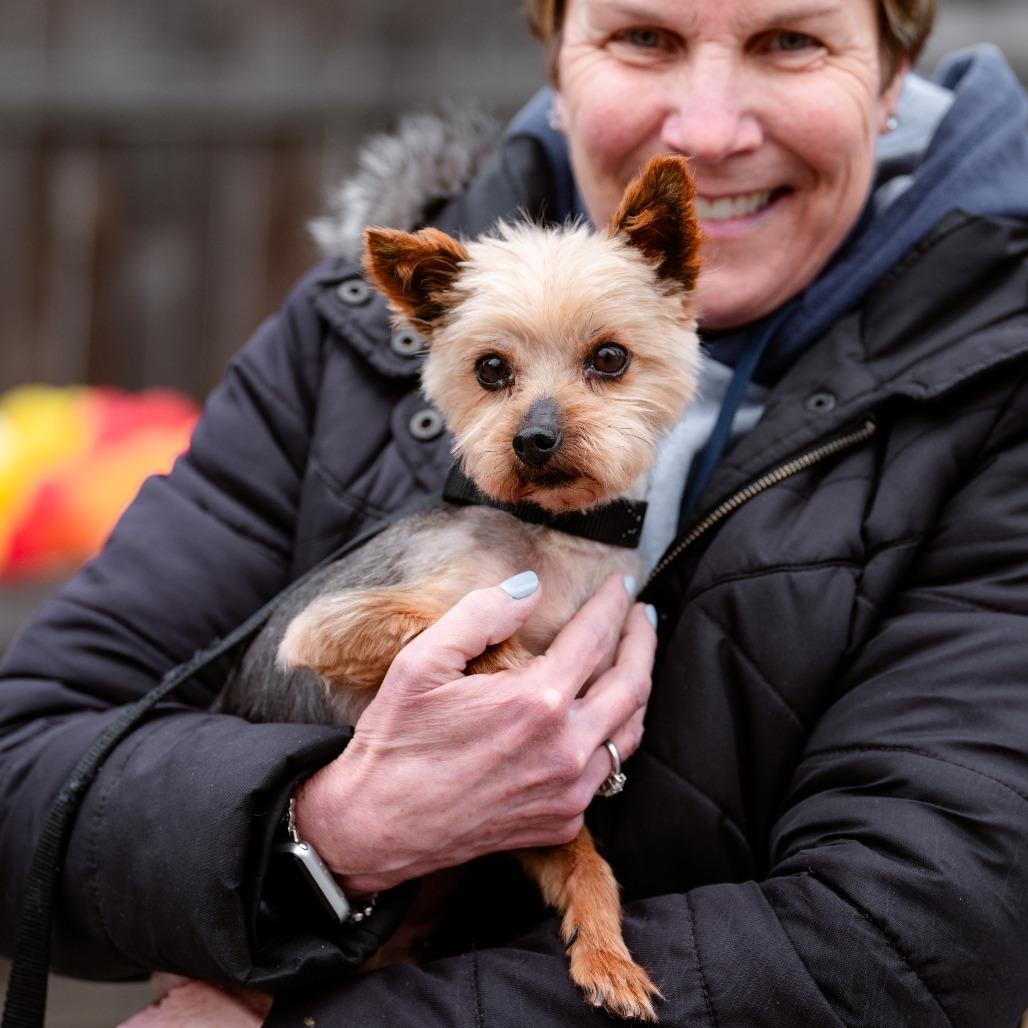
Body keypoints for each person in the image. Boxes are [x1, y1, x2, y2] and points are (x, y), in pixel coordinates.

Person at [3, 0, 1028, 1024]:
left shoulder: (995, 394)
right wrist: (328, 833)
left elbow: (917, 940)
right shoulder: (347, 333)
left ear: (894, 69)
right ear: (556, 54)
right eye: (643, 38)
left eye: (789, 41)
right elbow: (25, 781)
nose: (708, 131)